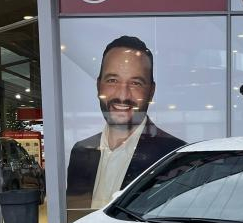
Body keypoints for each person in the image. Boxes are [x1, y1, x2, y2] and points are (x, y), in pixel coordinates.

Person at [66, 35, 185, 211]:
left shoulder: (175, 157)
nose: (122, 95)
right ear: (99, 85)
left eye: (136, 83)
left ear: (151, 91)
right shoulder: (80, 151)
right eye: (112, 80)